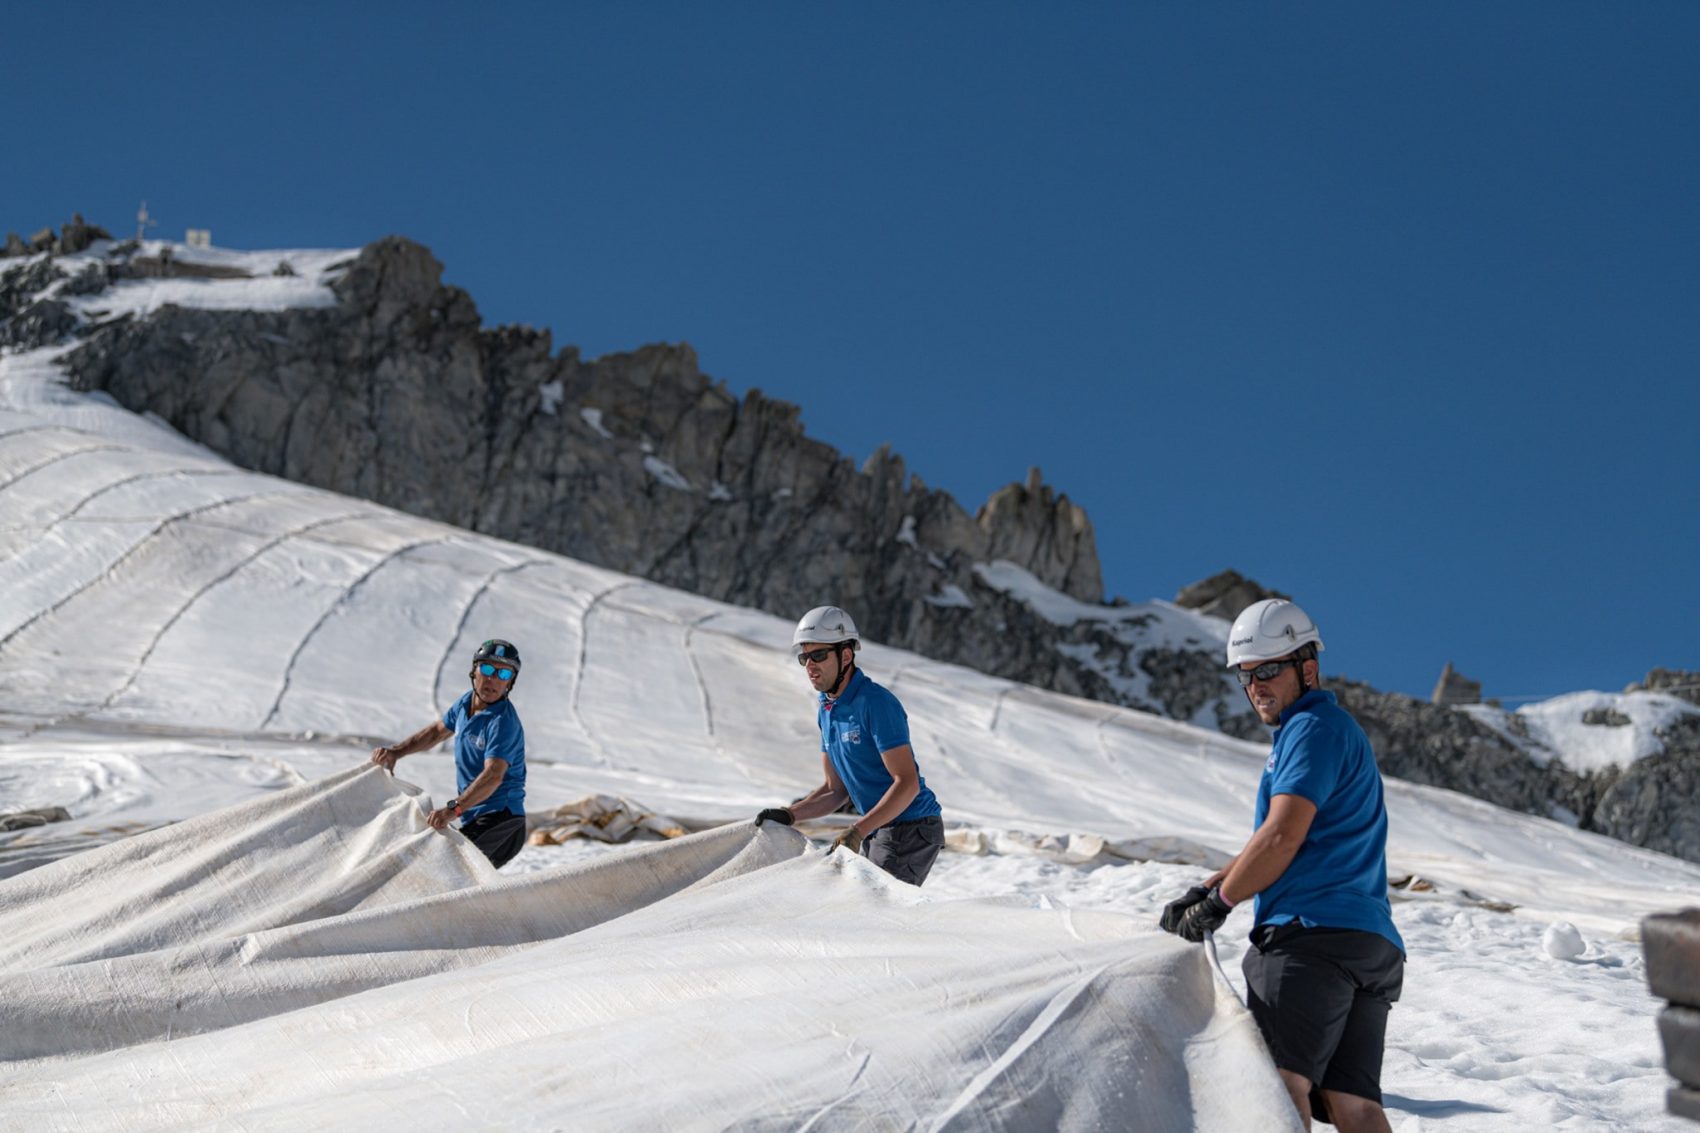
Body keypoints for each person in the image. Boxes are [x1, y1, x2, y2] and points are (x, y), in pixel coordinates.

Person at [1159, 599, 1405, 1133]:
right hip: (1369, 945)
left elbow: (1280, 836)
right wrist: (1210, 885)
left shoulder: (1310, 729)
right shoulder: (1336, 730)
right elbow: (1285, 840)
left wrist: (1222, 903)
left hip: (1308, 941)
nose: (1256, 687)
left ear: (1307, 668)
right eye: (1246, 677)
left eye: (1267, 670)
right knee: (1354, 1104)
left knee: (1279, 1087)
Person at [754, 606, 945, 886]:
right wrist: (790, 814)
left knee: (873, 908)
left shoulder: (876, 703)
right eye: (804, 657)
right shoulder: (827, 710)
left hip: (911, 826)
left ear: (845, 655)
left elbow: (907, 784)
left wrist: (858, 830)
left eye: (818, 655)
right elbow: (835, 790)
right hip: (876, 826)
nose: (810, 665)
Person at [371, 639, 529, 868]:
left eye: (503, 674)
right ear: (474, 671)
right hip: (475, 816)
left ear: (510, 683)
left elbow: (494, 774)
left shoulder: (502, 721)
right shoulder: (466, 703)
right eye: (486, 669)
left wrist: (454, 809)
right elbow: (436, 732)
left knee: (444, 869)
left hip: (502, 819)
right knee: (450, 876)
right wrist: (396, 752)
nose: (493, 679)